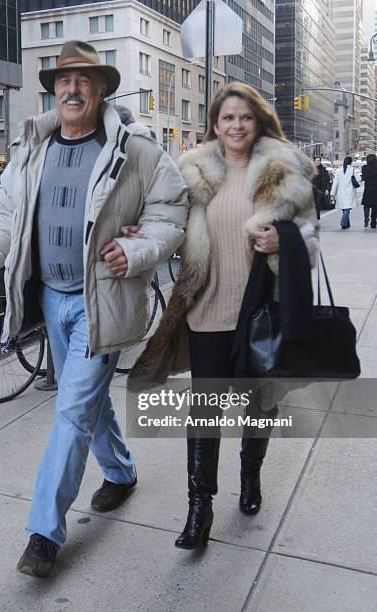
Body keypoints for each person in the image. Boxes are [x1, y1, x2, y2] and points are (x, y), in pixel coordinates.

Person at [0, 40, 188, 576]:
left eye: (84, 79)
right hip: (50, 299)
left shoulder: (138, 150)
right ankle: (122, 472)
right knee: (83, 401)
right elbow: (6, 216)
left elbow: (171, 215)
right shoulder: (32, 147)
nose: (73, 88)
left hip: (100, 300)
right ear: (54, 91)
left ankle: (43, 533)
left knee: (69, 412)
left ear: (102, 88)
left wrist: (137, 247)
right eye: (64, 80)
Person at [129, 83, 318, 550]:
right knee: (205, 411)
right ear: (214, 123)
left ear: (259, 122)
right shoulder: (189, 172)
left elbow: (312, 241)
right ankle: (200, 508)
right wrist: (142, 232)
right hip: (208, 309)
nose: (236, 126)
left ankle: (250, 477)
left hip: (262, 313)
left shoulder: (286, 170)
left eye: (245, 118)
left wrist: (285, 242)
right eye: (227, 118)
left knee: (260, 406)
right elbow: (166, 224)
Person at [330, 156, 359, 229]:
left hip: (341, 192)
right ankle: (343, 222)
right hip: (350, 192)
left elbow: (335, 183)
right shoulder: (353, 170)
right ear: (351, 162)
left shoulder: (338, 170)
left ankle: (347, 224)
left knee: (345, 208)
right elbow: (359, 179)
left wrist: (332, 193)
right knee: (347, 208)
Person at [360, 153, 377, 229]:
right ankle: (373, 223)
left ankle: (366, 217)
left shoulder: (364, 168)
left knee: (366, 205)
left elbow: (363, 178)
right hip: (376, 190)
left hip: (368, 189)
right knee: (375, 207)